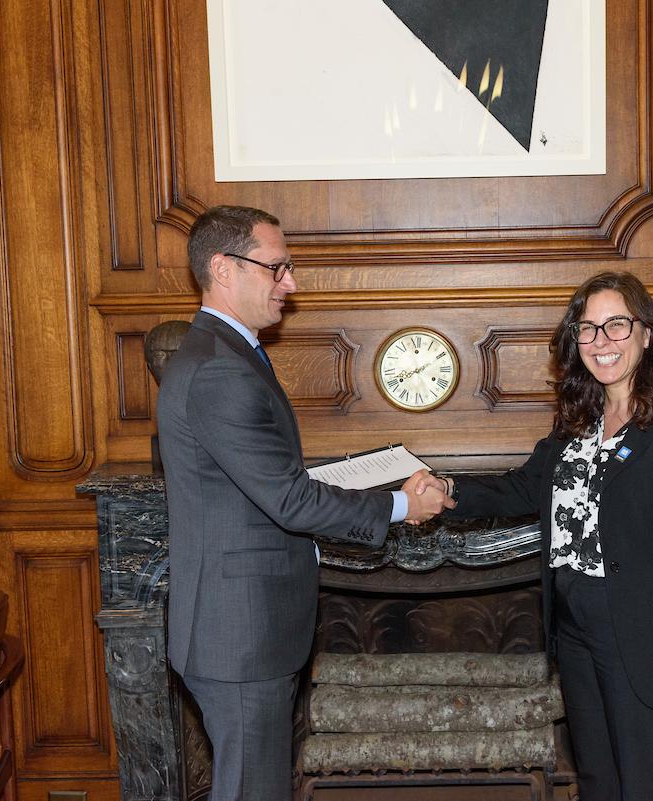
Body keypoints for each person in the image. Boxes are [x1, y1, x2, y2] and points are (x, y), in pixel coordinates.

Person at [157, 205, 453, 801]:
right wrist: (398, 505)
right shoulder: (219, 370)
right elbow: (289, 500)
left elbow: (267, 479)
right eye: (277, 268)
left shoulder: (226, 355)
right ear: (223, 267)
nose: (290, 284)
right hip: (239, 635)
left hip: (240, 630)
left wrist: (370, 485)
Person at [410, 271, 653, 801]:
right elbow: (524, 488)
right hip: (577, 633)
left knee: (650, 787)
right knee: (599, 785)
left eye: (616, 325)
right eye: (587, 329)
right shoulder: (579, 419)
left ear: (646, 333)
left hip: (648, 637)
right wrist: (448, 489)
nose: (601, 341)